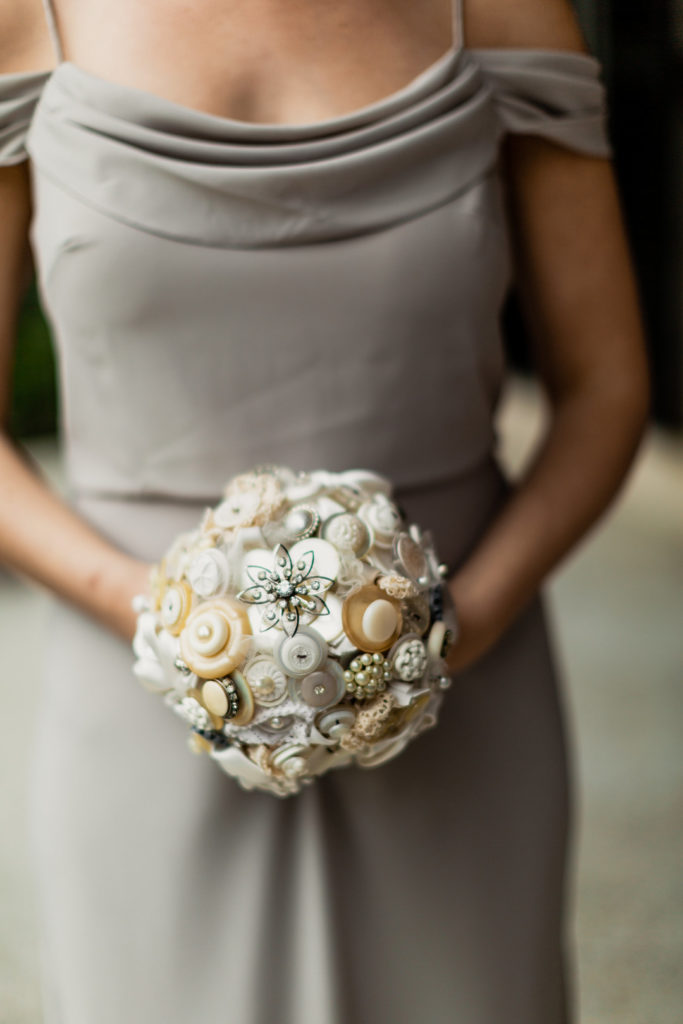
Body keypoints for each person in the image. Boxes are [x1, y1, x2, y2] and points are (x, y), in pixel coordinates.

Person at [0, 0, 649, 1021]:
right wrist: (177, 627)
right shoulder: (22, 22)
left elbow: (605, 385)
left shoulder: (502, 12)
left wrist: (440, 633)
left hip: (457, 691)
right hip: (141, 706)